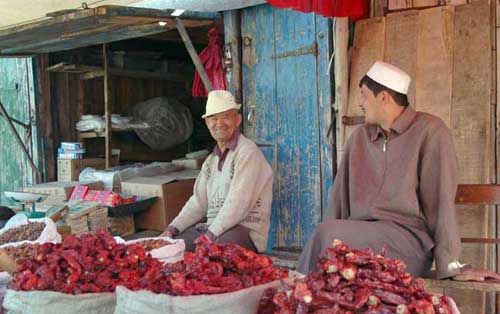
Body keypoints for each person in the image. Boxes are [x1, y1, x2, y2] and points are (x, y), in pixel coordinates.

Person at [298, 61, 462, 279]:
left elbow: (440, 201)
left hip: (408, 241)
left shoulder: (430, 131)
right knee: (328, 236)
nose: (360, 103)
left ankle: (293, 295)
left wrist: (450, 264)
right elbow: (338, 200)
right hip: (359, 238)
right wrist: (331, 237)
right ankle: (304, 299)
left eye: (364, 95)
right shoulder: (359, 138)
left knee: (326, 234)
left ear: (383, 97)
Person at [160, 90, 273, 252]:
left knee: (214, 252)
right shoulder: (211, 161)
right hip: (213, 228)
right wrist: (171, 229)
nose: (219, 123)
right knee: (174, 247)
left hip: (245, 231)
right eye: (213, 118)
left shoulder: (247, 152)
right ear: (207, 123)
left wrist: (210, 236)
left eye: (226, 116)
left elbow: (238, 204)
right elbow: (197, 203)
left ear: (238, 120)